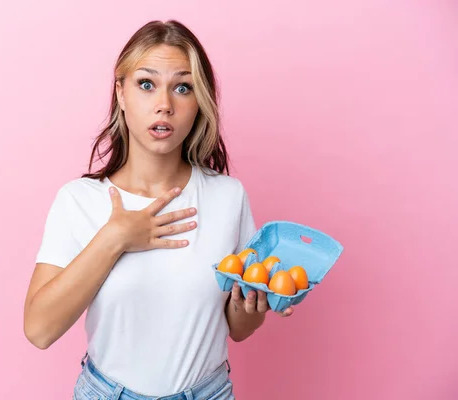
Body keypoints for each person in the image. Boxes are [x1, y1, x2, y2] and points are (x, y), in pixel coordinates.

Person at [23, 19, 294, 400]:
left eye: (182, 88)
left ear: (199, 100)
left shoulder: (228, 197)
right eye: (146, 84)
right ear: (120, 92)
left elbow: (239, 328)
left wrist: (256, 302)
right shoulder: (79, 201)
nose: (164, 105)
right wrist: (115, 238)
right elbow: (39, 330)